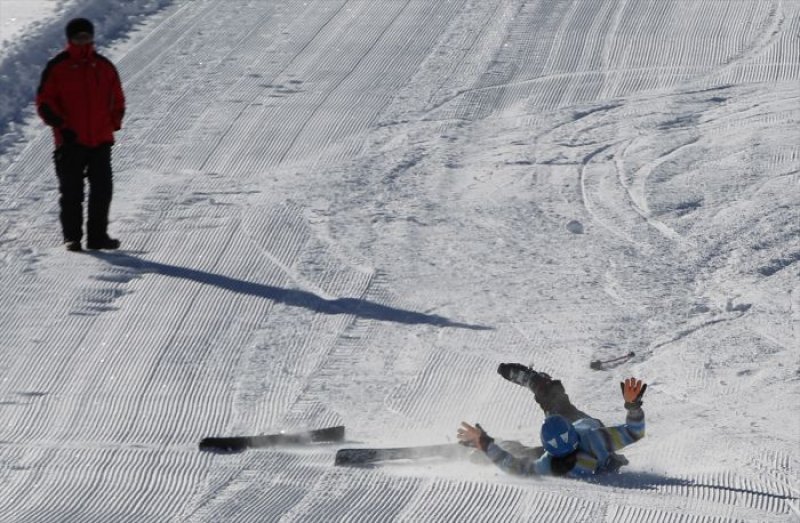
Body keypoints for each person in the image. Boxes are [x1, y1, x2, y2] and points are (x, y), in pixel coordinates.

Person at [457, 363, 647, 478]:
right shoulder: (594, 442)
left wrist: (488, 445)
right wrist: (633, 407)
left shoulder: (552, 461)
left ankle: (538, 383)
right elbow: (634, 431)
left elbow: (518, 469)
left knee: (556, 407)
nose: (567, 459)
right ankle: (538, 384)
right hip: (577, 429)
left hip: (580, 424)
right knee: (554, 409)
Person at [36, 17, 125, 252]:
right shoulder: (58, 67)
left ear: (92, 36)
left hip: (100, 140)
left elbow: (117, 97)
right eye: (78, 36)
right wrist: (61, 126)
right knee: (72, 192)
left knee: (102, 191)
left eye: (86, 35)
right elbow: (44, 101)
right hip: (70, 141)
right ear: (70, 39)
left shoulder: (104, 66)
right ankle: (72, 237)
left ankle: (97, 237)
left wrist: (113, 123)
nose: (83, 39)